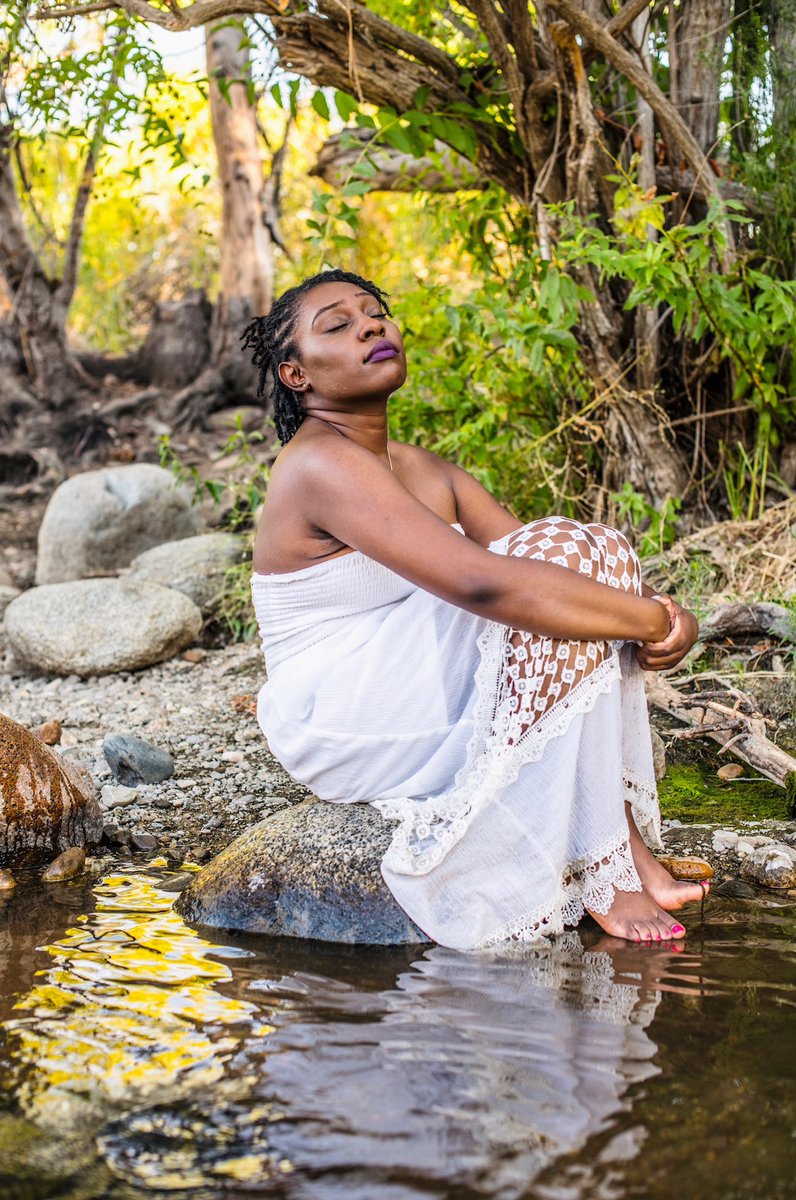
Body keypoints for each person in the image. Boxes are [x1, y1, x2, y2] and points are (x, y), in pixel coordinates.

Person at [242, 268, 706, 952]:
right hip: (340, 708)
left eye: (375, 312)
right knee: (567, 566)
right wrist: (652, 622)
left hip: (413, 680)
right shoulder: (316, 464)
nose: (370, 326)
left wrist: (667, 614)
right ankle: (607, 867)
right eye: (338, 325)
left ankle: (614, 841)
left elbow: (553, 581)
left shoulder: (426, 469)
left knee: (590, 551)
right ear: (296, 375)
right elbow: (485, 586)